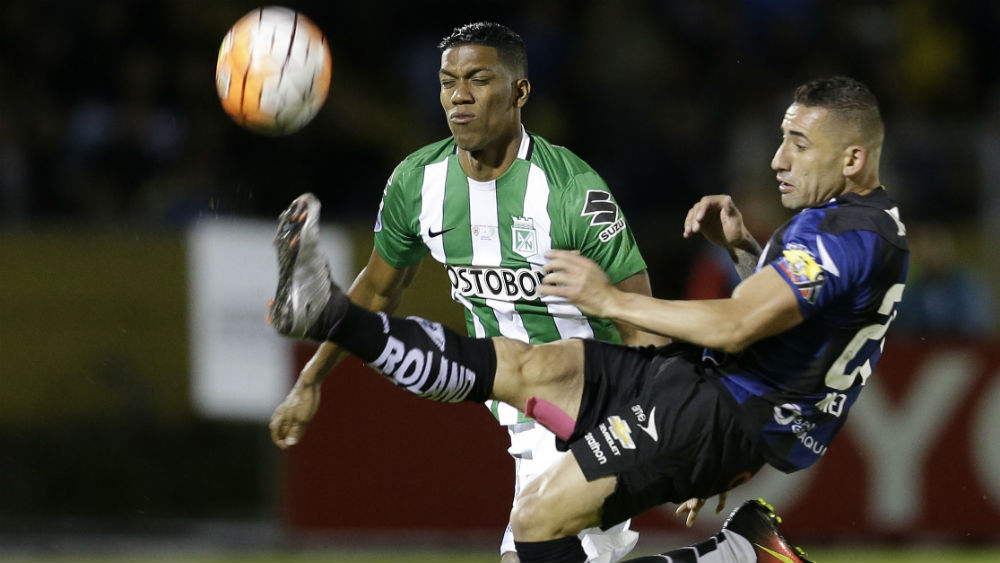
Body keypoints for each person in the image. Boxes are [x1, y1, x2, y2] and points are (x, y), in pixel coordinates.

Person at [268, 75, 907, 563]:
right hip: (717, 393)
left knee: (536, 523)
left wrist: (607, 300)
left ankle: (741, 556)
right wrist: (744, 251)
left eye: (798, 143)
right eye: (781, 139)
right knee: (527, 361)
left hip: (730, 411)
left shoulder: (849, 233)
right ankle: (327, 309)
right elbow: (793, 327)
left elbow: (740, 326)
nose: (777, 159)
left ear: (852, 159)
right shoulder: (852, 225)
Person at [267, 22, 661, 563]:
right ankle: (740, 553)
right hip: (516, 405)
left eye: (478, 79)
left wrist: (676, 434)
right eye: (448, 81)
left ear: (520, 92)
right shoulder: (417, 182)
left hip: (591, 406)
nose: (459, 96)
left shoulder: (572, 191)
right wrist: (310, 381)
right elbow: (380, 289)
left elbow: (643, 322)